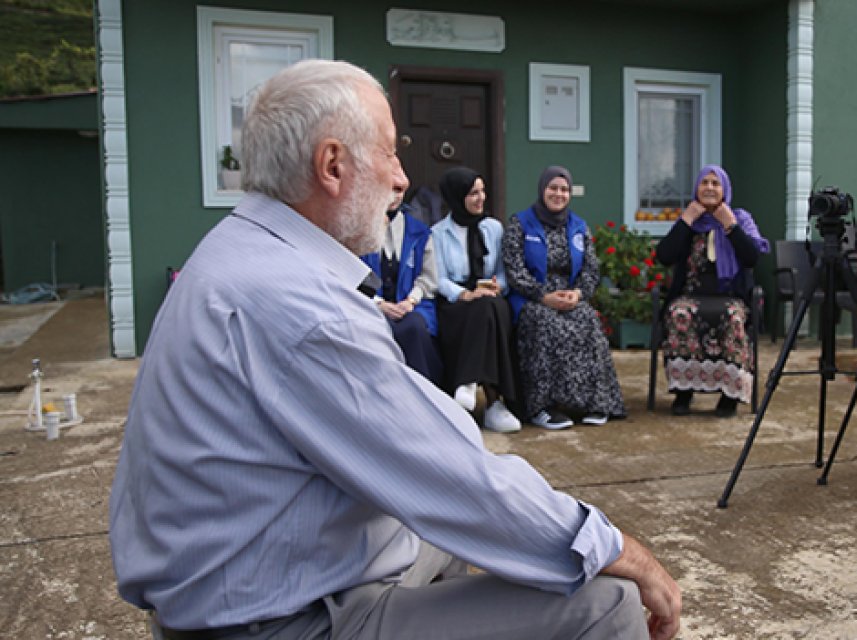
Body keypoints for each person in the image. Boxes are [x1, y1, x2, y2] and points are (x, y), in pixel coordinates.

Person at [108, 60, 680, 640]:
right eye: (389, 153)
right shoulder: (302, 305)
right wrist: (623, 550)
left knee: (446, 536)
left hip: (245, 580)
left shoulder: (235, 251)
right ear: (332, 165)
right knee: (609, 600)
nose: (404, 179)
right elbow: (456, 478)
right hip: (279, 621)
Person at [502, 166, 627, 429]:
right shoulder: (520, 223)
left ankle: (595, 403)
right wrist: (543, 296)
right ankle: (543, 408)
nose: (558, 194)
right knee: (545, 324)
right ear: (542, 189)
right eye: (553, 188)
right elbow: (514, 269)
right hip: (532, 298)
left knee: (588, 320)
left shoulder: (579, 226)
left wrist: (578, 293)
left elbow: (591, 268)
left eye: (564, 189)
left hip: (570, 296)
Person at [654, 164, 770, 417]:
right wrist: (686, 220)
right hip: (691, 294)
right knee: (678, 313)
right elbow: (664, 256)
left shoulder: (740, 218)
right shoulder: (689, 221)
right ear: (696, 188)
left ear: (725, 189)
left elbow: (752, 258)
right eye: (704, 183)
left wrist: (730, 225)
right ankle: (684, 392)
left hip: (731, 297)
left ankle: (729, 396)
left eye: (715, 184)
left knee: (732, 316)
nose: (709, 188)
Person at [431, 166, 522, 433]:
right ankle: (495, 403)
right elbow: (439, 278)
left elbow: (504, 274)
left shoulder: (493, 228)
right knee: (483, 309)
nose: (481, 198)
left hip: (491, 299)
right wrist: (465, 294)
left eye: (482, 192)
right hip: (457, 304)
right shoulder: (438, 233)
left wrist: (496, 286)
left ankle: (468, 382)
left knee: (489, 307)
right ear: (457, 196)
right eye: (473, 193)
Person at [360, 186, 444, 385]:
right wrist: (379, 304)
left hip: (413, 304)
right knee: (377, 329)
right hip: (372, 305)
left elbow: (428, 278)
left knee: (415, 325)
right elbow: (354, 275)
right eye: (389, 189)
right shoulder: (360, 231)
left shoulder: (419, 232)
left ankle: (426, 388)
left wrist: (411, 300)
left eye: (399, 190)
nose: (395, 196)